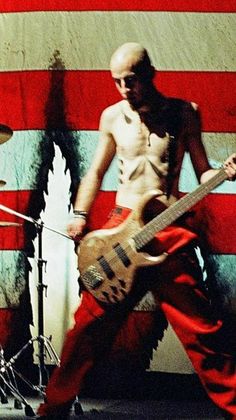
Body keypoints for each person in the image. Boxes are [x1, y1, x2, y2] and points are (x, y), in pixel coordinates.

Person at [37, 42, 236, 419]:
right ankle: (53, 409)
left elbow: (203, 171)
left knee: (203, 332)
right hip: (120, 230)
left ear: (149, 73)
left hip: (167, 229)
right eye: (117, 83)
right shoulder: (112, 116)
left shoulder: (184, 113)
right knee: (86, 330)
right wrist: (80, 213)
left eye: (131, 81)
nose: (125, 90)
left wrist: (223, 174)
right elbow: (96, 172)